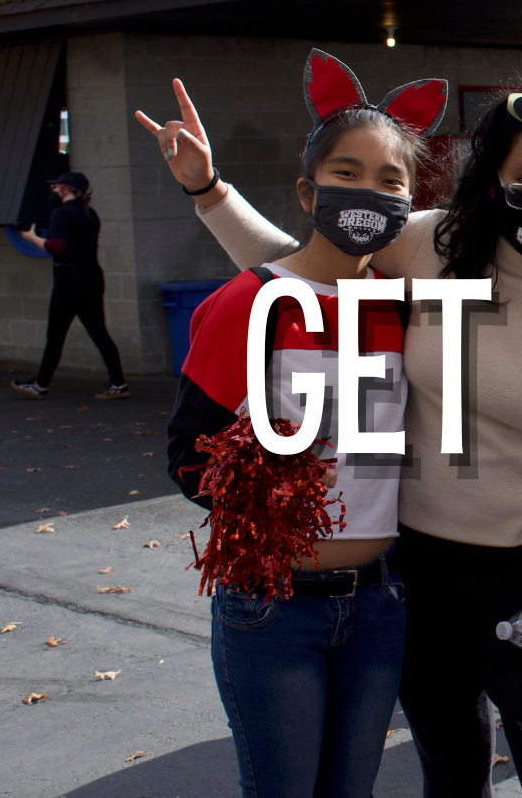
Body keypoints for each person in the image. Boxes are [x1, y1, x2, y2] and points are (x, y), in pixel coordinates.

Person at [168, 69, 522, 796]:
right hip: (417, 575)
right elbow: (311, 276)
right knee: (451, 771)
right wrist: (211, 195)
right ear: (491, 178)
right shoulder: (434, 243)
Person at [155, 50, 433, 796]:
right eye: (347, 173)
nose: (368, 192)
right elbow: (187, 451)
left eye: (390, 179)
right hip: (271, 607)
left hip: (381, 605)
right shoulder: (248, 304)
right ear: (308, 191)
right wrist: (264, 501)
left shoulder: (410, 308)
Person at [11, 171, 130, 401]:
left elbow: (56, 246)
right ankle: (118, 383)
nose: (54, 190)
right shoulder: (90, 214)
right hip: (92, 276)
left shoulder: (61, 213)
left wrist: (32, 238)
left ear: (66, 189)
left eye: (57, 187)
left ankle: (40, 385)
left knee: (55, 336)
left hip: (69, 280)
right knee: (99, 332)